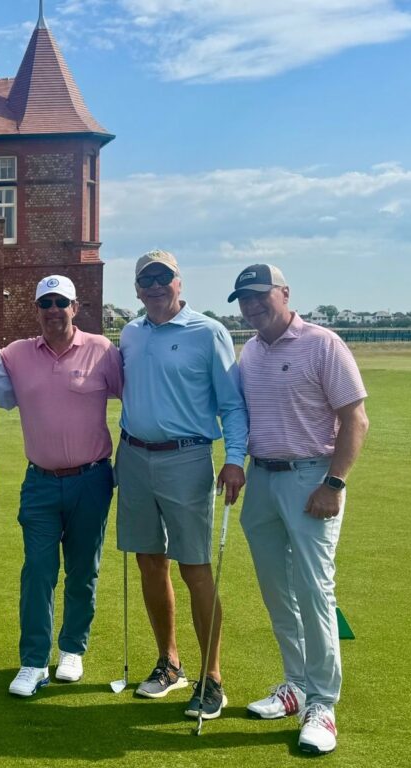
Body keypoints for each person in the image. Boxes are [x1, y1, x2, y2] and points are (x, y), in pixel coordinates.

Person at [229, 264, 368, 755]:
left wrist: (334, 483)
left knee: (313, 589)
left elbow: (355, 418)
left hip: (312, 478)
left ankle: (322, 703)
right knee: (276, 591)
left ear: (284, 293)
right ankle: (295, 684)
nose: (251, 306)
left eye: (259, 295)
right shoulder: (250, 354)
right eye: (243, 299)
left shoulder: (323, 343)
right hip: (263, 478)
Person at [116, 249, 248, 720]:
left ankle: (211, 678)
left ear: (179, 282)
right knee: (150, 562)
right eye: (145, 278)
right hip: (132, 455)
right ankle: (169, 662)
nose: (154, 285)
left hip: (186, 456)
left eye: (163, 277)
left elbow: (231, 405)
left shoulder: (208, 332)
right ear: (136, 288)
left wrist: (234, 459)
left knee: (194, 567)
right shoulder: (130, 334)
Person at [0, 275, 123, 697]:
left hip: (93, 479)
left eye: (60, 302)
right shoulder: (16, 354)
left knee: (83, 571)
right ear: (36, 309)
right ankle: (33, 661)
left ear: (74, 307)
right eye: (44, 303)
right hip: (41, 483)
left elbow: (136, 397)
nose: (52, 310)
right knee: (38, 572)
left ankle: (72, 650)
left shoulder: (103, 351)